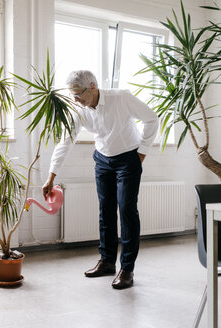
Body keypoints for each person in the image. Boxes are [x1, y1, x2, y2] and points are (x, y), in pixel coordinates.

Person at [43, 70, 159, 289]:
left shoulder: (121, 97)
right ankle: (107, 262)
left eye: (79, 94)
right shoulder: (80, 109)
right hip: (103, 160)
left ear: (93, 86)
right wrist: (51, 176)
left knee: (126, 210)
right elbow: (66, 140)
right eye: (73, 95)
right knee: (105, 210)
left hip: (128, 159)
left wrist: (142, 153)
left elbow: (152, 118)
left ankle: (127, 269)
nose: (76, 100)